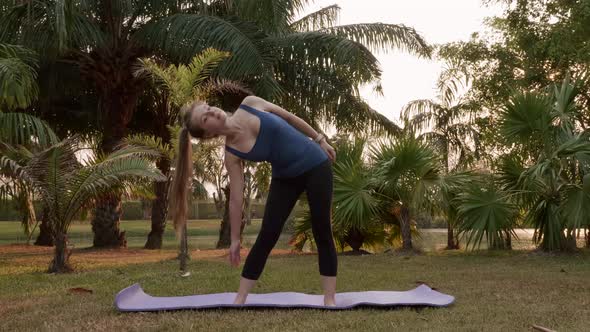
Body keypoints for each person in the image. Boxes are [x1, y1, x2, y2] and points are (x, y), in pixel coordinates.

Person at [168, 95, 338, 306]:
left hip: (315, 164)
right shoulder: (231, 154)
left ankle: (329, 299)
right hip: (285, 177)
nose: (212, 111)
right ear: (208, 133)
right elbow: (236, 198)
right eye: (205, 118)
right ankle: (240, 298)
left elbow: (289, 117)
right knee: (267, 234)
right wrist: (235, 239)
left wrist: (320, 140)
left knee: (322, 228)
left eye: (209, 107)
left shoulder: (250, 104)